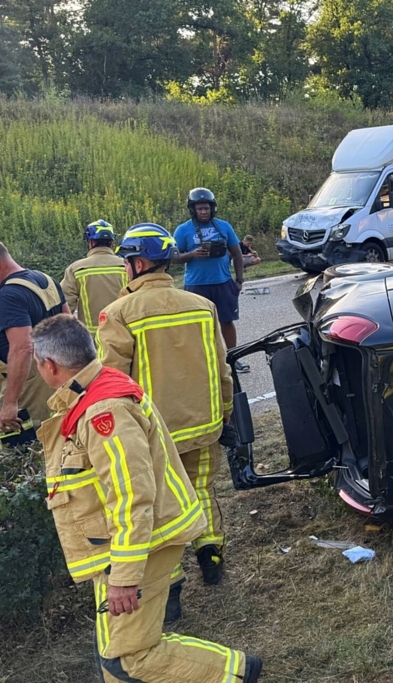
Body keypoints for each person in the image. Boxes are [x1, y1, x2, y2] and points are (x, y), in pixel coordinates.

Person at [30, 315, 262, 682]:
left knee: (128, 659)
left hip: (142, 543)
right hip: (122, 544)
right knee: (114, 652)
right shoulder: (93, 392)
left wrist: (123, 577)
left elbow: (133, 497)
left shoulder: (104, 411)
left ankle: (235, 673)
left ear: (49, 364)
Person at [97, 224, 234, 601]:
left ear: (139, 263)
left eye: (127, 262)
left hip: (155, 435)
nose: (126, 268)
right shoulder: (203, 306)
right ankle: (212, 560)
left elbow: (111, 382)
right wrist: (226, 413)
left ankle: (170, 589)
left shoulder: (118, 313)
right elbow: (222, 369)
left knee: (161, 506)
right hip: (205, 426)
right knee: (202, 491)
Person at [0, 238, 68, 439]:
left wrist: (10, 403)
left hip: (26, 389)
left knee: (22, 447)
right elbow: (69, 325)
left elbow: (22, 348)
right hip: (55, 377)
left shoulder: (9, 296)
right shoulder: (45, 280)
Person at [172, 188, 249, 373]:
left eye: (206, 208)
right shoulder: (183, 230)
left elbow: (237, 254)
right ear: (193, 210)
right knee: (197, 325)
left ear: (212, 208)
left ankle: (232, 357)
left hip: (222, 282)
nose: (204, 212)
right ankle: (202, 362)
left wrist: (239, 280)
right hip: (196, 285)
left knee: (227, 322)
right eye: (200, 209)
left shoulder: (224, 226)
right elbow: (173, 257)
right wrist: (192, 254)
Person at [61, 219, 128, 336]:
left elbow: (65, 304)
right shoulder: (126, 266)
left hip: (90, 338)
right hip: (123, 334)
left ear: (90, 242)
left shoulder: (76, 269)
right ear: (112, 242)